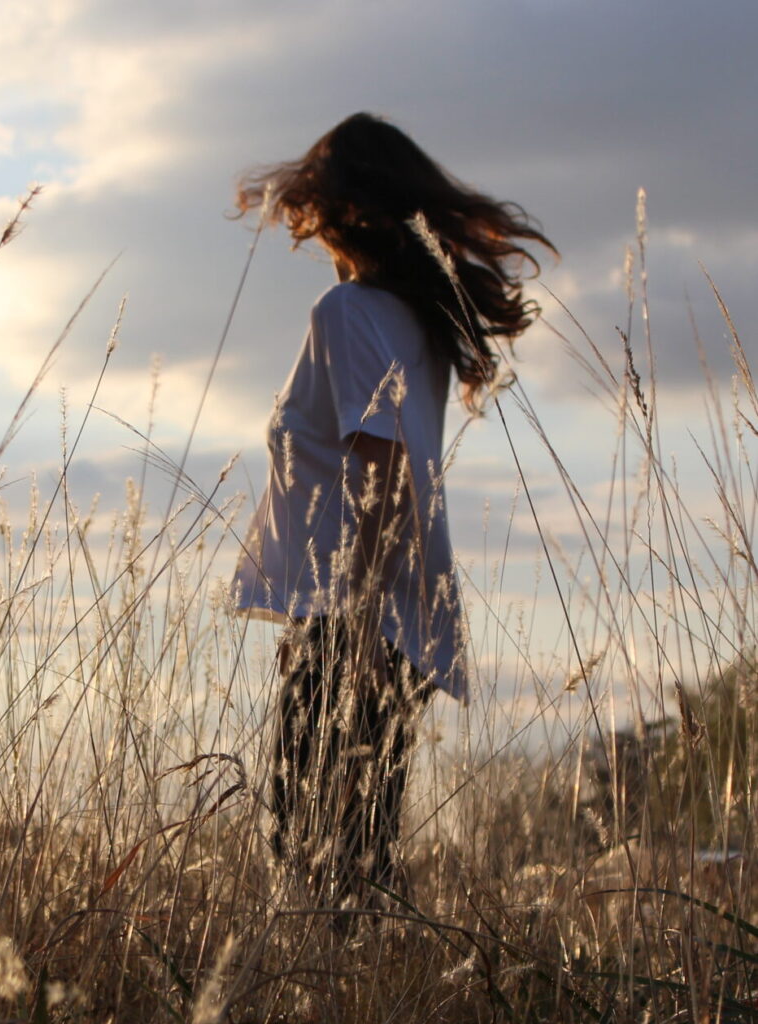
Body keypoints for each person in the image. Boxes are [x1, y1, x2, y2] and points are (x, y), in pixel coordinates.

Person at [231, 113, 556, 919]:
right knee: (358, 853)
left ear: (345, 210)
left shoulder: (346, 314)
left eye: (318, 213)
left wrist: (350, 628)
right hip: (398, 617)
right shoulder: (417, 322)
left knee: (308, 852)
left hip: (361, 617)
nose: (313, 234)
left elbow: (387, 480)